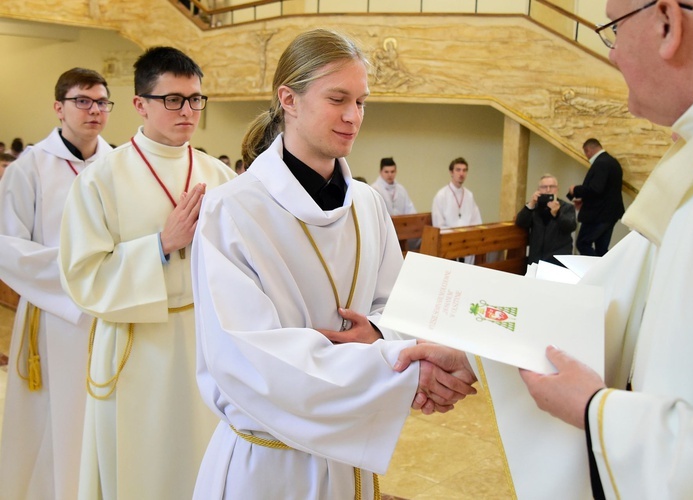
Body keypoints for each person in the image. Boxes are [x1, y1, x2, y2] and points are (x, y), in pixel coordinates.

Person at [190, 29, 477, 499]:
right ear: (290, 99)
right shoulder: (232, 211)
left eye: (362, 101)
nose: (353, 116)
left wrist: (382, 336)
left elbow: (399, 306)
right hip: (269, 464)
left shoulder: (367, 204)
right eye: (338, 98)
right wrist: (402, 369)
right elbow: (251, 359)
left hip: (348, 464)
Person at [514, 1, 693, 498]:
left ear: (668, 22)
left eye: (614, 30)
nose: (614, 55)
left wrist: (594, 409)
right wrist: (466, 343)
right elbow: (616, 285)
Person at [58, 47, 236, 500]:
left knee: (203, 466)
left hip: (203, 342)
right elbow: (83, 277)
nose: (188, 110)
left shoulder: (220, 178)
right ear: (140, 104)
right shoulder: (100, 178)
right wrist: (161, 245)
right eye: (173, 99)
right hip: (136, 349)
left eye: (196, 99)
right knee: (141, 473)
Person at [0, 67, 114, 500]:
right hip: (52, 314)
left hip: (107, 311)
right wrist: (81, 274)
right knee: (49, 420)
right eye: (82, 101)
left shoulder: (116, 164)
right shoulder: (31, 166)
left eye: (102, 102)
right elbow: (8, 245)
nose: (94, 111)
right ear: (58, 108)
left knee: (97, 415)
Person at [567, 138, 625, 256]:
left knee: (583, 243)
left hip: (598, 214)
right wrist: (584, 200)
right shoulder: (612, 162)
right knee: (601, 249)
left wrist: (575, 190)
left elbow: (596, 189)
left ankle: (595, 272)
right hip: (610, 213)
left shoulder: (601, 163)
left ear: (588, 150)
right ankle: (604, 272)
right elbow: (605, 190)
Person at [515, 173, 577, 266]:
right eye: (544, 187)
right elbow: (521, 222)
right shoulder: (534, 207)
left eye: (552, 186)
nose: (548, 190)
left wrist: (557, 214)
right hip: (536, 259)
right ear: (538, 190)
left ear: (557, 189)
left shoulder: (567, 207)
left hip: (558, 260)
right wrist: (531, 204)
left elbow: (570, 226)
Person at [432, 157, 482, 263]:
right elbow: (438, 224)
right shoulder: (441, 195)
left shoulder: (469, 195)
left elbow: (476, 221)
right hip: (449, 243)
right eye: (458, 170)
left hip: (468, 242)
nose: (461, 173)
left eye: (464, 170)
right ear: (451, 172)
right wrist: (456, 236)